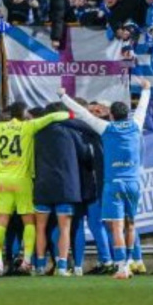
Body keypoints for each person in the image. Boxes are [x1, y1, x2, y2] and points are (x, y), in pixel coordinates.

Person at [59, 79, 151, 280]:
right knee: (131, 225)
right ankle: (132, 262)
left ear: (111, 115)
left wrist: (63, 96)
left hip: (113, 184)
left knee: (116, 227)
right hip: (134, 183)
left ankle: (121, 268)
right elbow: (143, 106)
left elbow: (82, 113)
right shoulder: (136, 124)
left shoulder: (105, 128)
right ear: (127, 114)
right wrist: (146, 89)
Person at [0, 102, 71, 275]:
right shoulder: (28, 126)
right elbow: (56, 116)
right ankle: (26, 261)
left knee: (1, 222)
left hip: (2, 181)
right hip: (22, 180)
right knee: (29, 222)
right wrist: (72, 114)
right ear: (23, 114)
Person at [32, 102, 87, 276]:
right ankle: (62, 267)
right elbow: (85, 154)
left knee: (40, 228)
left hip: (42, 185)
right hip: (65, 186)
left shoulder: (36, 133)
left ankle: (39, 266)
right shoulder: (71, 132)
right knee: (65, 228)